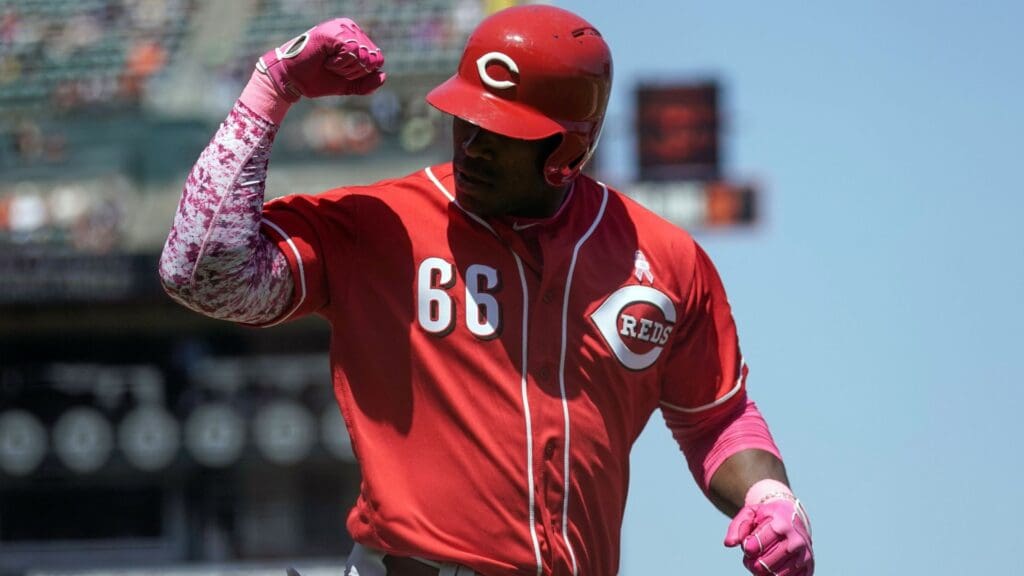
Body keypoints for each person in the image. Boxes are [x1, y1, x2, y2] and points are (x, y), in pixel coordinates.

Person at [159, 6, 814, 576]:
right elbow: (200, 274)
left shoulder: (664, 259)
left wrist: (771, 500)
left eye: (500, 133)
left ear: (567, 151)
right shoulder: (379, 226)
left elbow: (718, 419)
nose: (471, 142)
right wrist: (272, 88)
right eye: (464, 116)